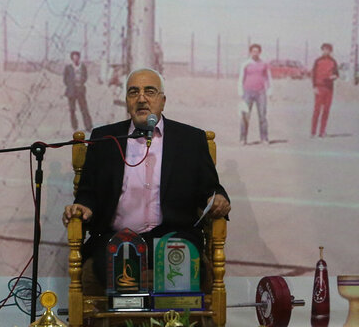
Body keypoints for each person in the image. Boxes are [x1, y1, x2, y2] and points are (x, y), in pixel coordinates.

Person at [63, 68, 230, 285]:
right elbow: (88, 193)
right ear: (127, 101)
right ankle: (128, 308)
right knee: (120, 271)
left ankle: (171, 309)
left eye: (149, 92)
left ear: (163, 101)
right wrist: (82, 206)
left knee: (179, 267)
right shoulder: (105, 139)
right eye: (134, 92)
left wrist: (218, 199)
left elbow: (211, 189)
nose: (141, 99)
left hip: (174, 236)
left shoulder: (190, 139)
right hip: (118, 238)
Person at [238, 43, 272, 144]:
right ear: (250, 52)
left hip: (261, 92)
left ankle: (264, 138)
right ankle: (243, 138)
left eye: (257, 51)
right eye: (253, 51)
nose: (255, 53)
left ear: (260, 52)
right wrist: (240, 92)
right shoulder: (245, 64)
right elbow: (241, 78)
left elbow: (268, 78)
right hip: (247, 92)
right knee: (245, 115)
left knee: (262, 115)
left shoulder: (264, 64)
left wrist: (270, 90)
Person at [310, 42, 339, 138]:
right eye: (324, 49)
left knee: (326, 110)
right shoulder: (317, 61)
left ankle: (322, 131)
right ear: (322, 50)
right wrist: (314, 87)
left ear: (331, 51)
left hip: (329, 88)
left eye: (328, 50)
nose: (326, 51)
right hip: (319, 87)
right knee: (317, 110)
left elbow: (337, 74)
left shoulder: (333, 61)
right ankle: (313, 132)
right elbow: (313, 74)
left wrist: (334, 77)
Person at [63, 51, 93, 133]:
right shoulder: (68, 67)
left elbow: (85, 77)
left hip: (80, 91)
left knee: (84, 109)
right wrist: (71, 85)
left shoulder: (82, 67)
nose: (76, 59)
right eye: (74, 57)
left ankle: (88, 126)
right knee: (72, 110)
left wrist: (80, 83)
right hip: (71, 91)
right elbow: (65, 79)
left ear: (79, 58)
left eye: (77, 57)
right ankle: (74, 126)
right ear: (72, 58)